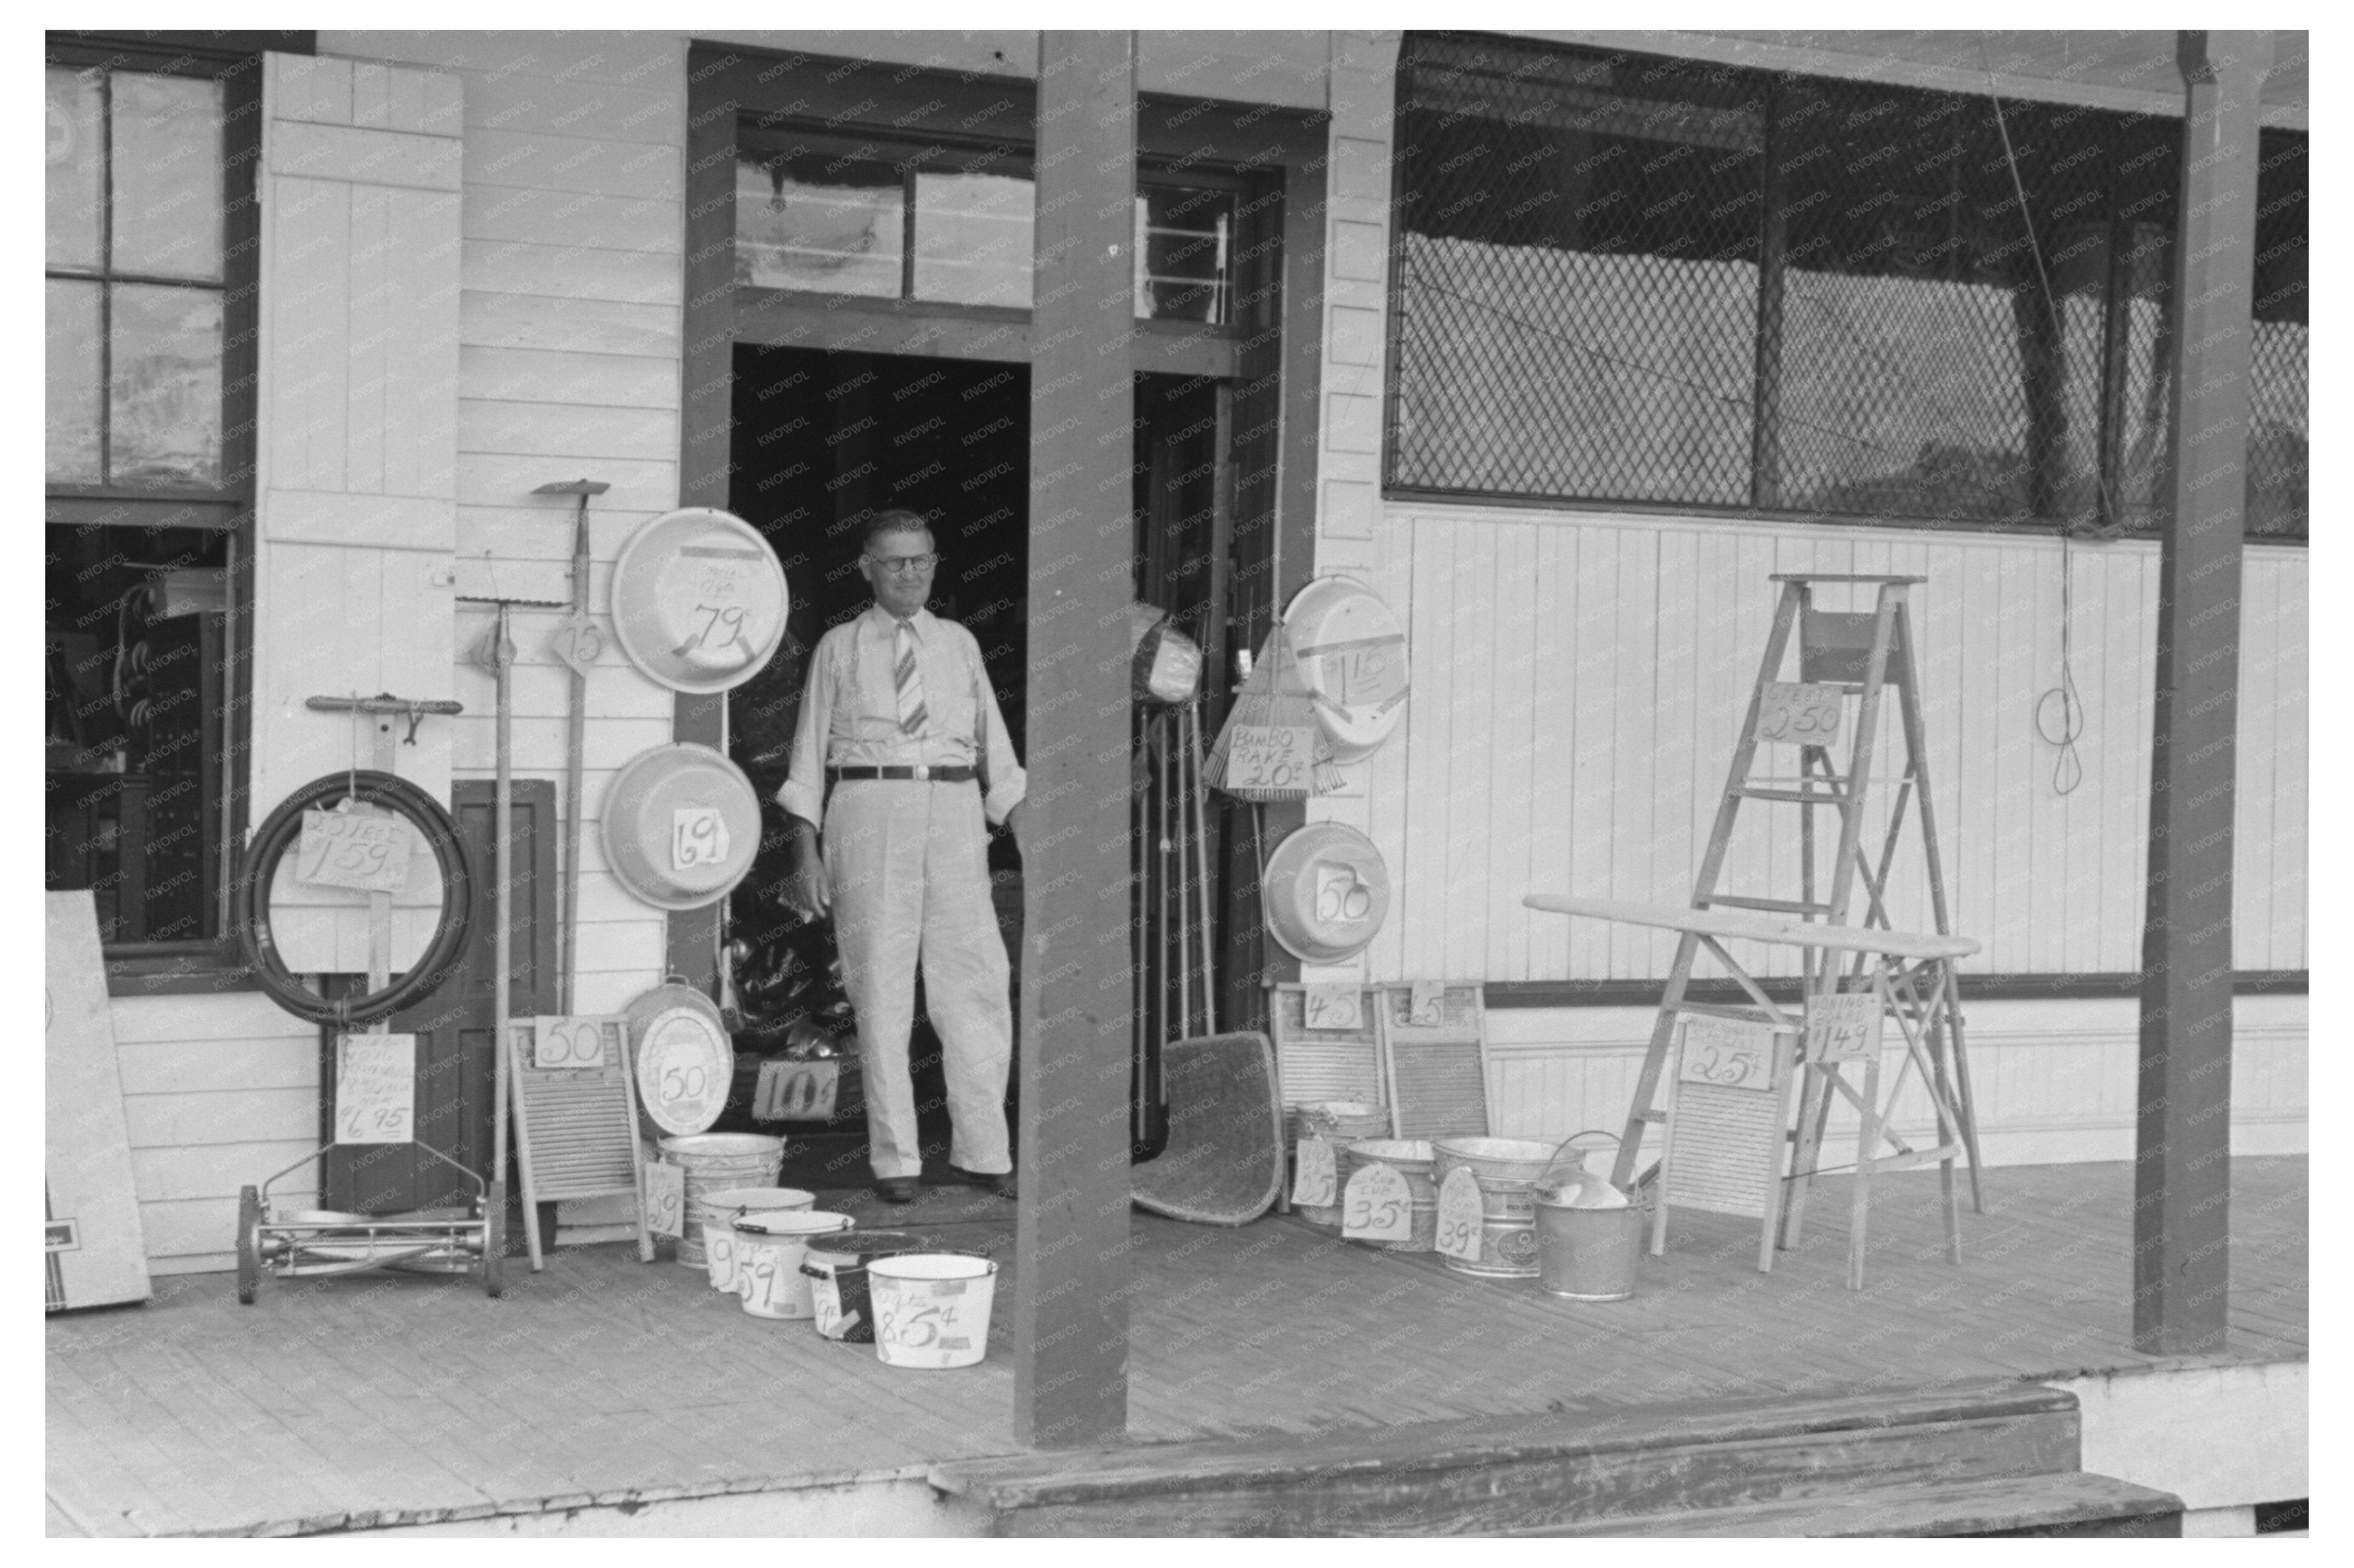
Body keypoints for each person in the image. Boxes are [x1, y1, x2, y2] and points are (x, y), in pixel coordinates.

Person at [776, 510, 1026, 1203]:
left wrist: (1027, 833)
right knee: (880, 985)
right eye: (894, 563)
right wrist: (808, 853)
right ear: (867, 569)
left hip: (952, 810)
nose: (910, 574)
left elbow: (997, 752)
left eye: (921, 561)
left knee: (973, 980)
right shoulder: (839, 647)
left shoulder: (959, 645)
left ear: (934, 564)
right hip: (867, 808)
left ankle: (984, 1151)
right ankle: (896, 1160)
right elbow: (805, 759)